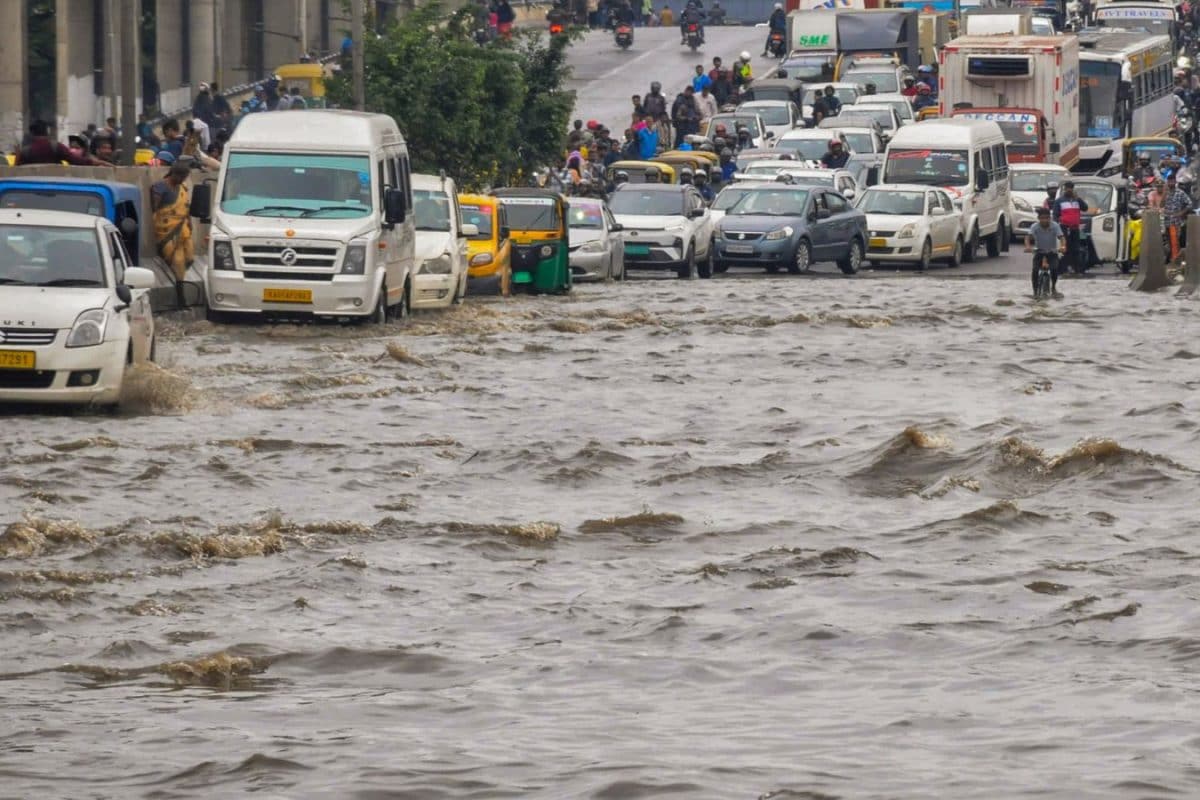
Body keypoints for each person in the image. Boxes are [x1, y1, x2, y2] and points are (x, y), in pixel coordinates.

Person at [150, 161, 195, 281]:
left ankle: (179, 278)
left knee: (190, 258)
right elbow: (155, 209)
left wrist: (189, 222)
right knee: (177, 260)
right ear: (173, 174)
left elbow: (186, 206)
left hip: (183, 228)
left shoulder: (183, 188)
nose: (182, 179)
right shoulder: (160, 187)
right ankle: (179, 285)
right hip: (167, 230)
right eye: (181, 176)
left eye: (185, 177)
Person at [14, 120, 108, 166]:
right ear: (47, 132)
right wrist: (99, 162)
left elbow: (16, 171)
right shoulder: (56, 147)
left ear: (31, 133)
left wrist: (18, 154)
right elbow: (76, 161)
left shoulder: (26, 151)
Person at [1024, 206, 1065, 296]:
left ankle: (1053, 287)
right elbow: (1028, 237)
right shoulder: (1035, 226)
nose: (1045, 220)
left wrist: (1063, 246)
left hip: (1052, 251)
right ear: (1039, 219)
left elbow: (1061, 237)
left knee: (1054, 269)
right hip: (1039, 251)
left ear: (1050, 218)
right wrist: (1027, 246)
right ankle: (1035, 291)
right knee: (1035, 270)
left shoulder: (1055, 226)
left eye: (1047, 218)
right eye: (1042, 218)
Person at [1051, 180, 1088, 274]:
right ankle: (1063, 269)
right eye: (1067, 188)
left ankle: (1077, 269)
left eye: (1070, 188)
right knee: (1065, 248)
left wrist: (1078, 198)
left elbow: (1085, 208)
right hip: (1064, 227)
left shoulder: (1077, 200)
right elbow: (1055, 215)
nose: (1069, 190)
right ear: (1064, 189)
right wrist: (1055, 228)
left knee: (1076, 249)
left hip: (1075, 228)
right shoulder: (1059, 201)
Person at [1163, 174, 1191, 260]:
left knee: (1175, 242)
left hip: (1176, 222)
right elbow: (1161, 204)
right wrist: (1164, 195)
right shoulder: (1166, 192)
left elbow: (1189, 204)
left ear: (1175, 182)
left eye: (1172, 181)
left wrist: (1181, 213)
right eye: (1169, 181)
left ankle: (1175, 260)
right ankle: (1172, 259)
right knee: (1169, 242)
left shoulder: (1180, 193)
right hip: (1167, 221)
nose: (1170, 183)